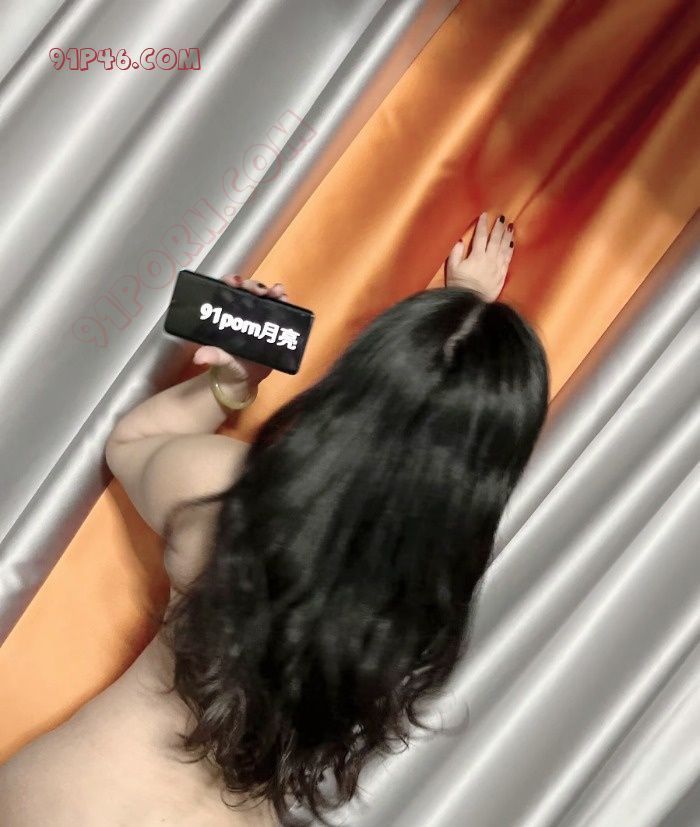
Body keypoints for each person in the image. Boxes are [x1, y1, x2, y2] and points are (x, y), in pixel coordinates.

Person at [0, 212, 549, 826]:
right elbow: (430, 453)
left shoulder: (232, 498)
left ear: (357, 383)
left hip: (76, 802)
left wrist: (233, 384)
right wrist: (466, 328)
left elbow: (134, 441)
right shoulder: (424, 613)